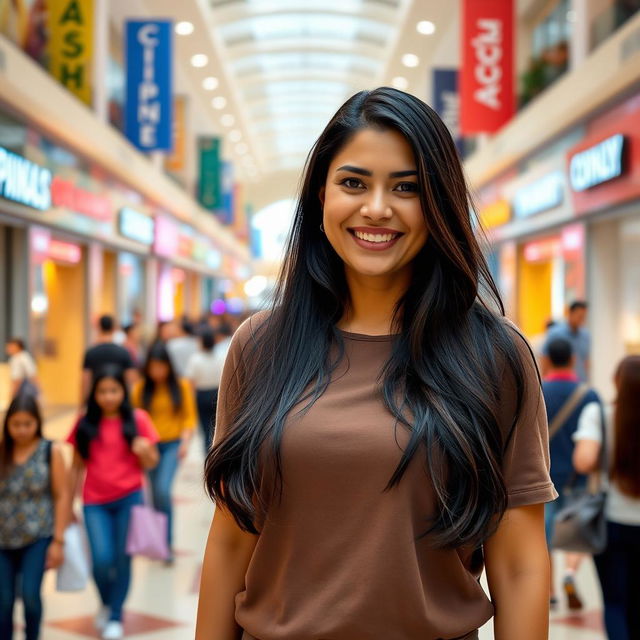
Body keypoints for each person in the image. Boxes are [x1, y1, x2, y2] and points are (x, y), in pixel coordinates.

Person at [195, 87, 557, 640]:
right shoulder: (260, 345)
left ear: (439, 204)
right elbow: (230, 539)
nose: (377, 208)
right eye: (353, 182)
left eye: (407, 188)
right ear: (321, 195)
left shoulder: (494, 355)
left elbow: (520, 564)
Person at [67, 365, 159, 640]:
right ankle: (106, 602)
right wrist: (69, 503)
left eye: (114, 390)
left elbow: (152, 461)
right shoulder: (84, 423)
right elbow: (75, 466)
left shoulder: (138, 419)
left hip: (130, 498)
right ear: (94, 393)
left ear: (123, 391)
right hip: (94, 501)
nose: (108, 396)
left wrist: (144, 451)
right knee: (100, 559)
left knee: (122, 560)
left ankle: (116, 614)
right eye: (102, 391)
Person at [573, 355, 640, 640]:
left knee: (614, 602)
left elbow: (584, 461)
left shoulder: (598, 414)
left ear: (617, 382)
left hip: (612, 523)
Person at [0, 393, 68, 640]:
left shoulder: (51, 451)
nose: (21, 430)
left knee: (30, 596)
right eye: (15, 424)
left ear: (38, 422)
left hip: (38, 536)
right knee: (3, 602)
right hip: (3, 539)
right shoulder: (2, 451)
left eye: (27, 424)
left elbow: (61, 496)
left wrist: (58, 541)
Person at [542, 337, 601, 610]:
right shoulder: (588, 395)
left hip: (545, 477)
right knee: (577, 533)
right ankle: (569, 574)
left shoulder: (538, 390)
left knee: (545, 538)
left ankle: (551, 592)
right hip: (578, 477)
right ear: (573, 360)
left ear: (546, 360)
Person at [131, 343, 197, 563]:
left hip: (171, 445)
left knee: (162, 490)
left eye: (161, 367)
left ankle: (167, 544)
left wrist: (185, 442)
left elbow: (188, 416)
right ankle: (157, 541)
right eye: (153, 367)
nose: (157, 372)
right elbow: (134, 419)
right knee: (153, 494)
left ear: (168, 366)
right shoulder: (141, 389)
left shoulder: (181, 386)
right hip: (149, 447)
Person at [185, 325, 232, 454]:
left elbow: (191, 382)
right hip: (217, 393)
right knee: (218, 425)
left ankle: (208, 453)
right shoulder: (221, 356)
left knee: (205, 428)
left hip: (201, 395)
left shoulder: (195, 359)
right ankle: (218, 450)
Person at [81, 315, 136, 401]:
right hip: (119, 399)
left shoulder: (91, 353)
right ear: (113, 328)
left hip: (97, 399)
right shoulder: (123, 352)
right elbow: (131, 380)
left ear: (99, 328)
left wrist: (82, 404)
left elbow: (85, 381)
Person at [542, 301, 590, 381]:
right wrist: (544, 382)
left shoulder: (586, 336)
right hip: (557, 382)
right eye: (580, 317)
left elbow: (586, 361)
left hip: (579, 383)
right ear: (571, 313)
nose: (582, 320)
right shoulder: (555, 333)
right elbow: (545, 358)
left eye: (584, 317)